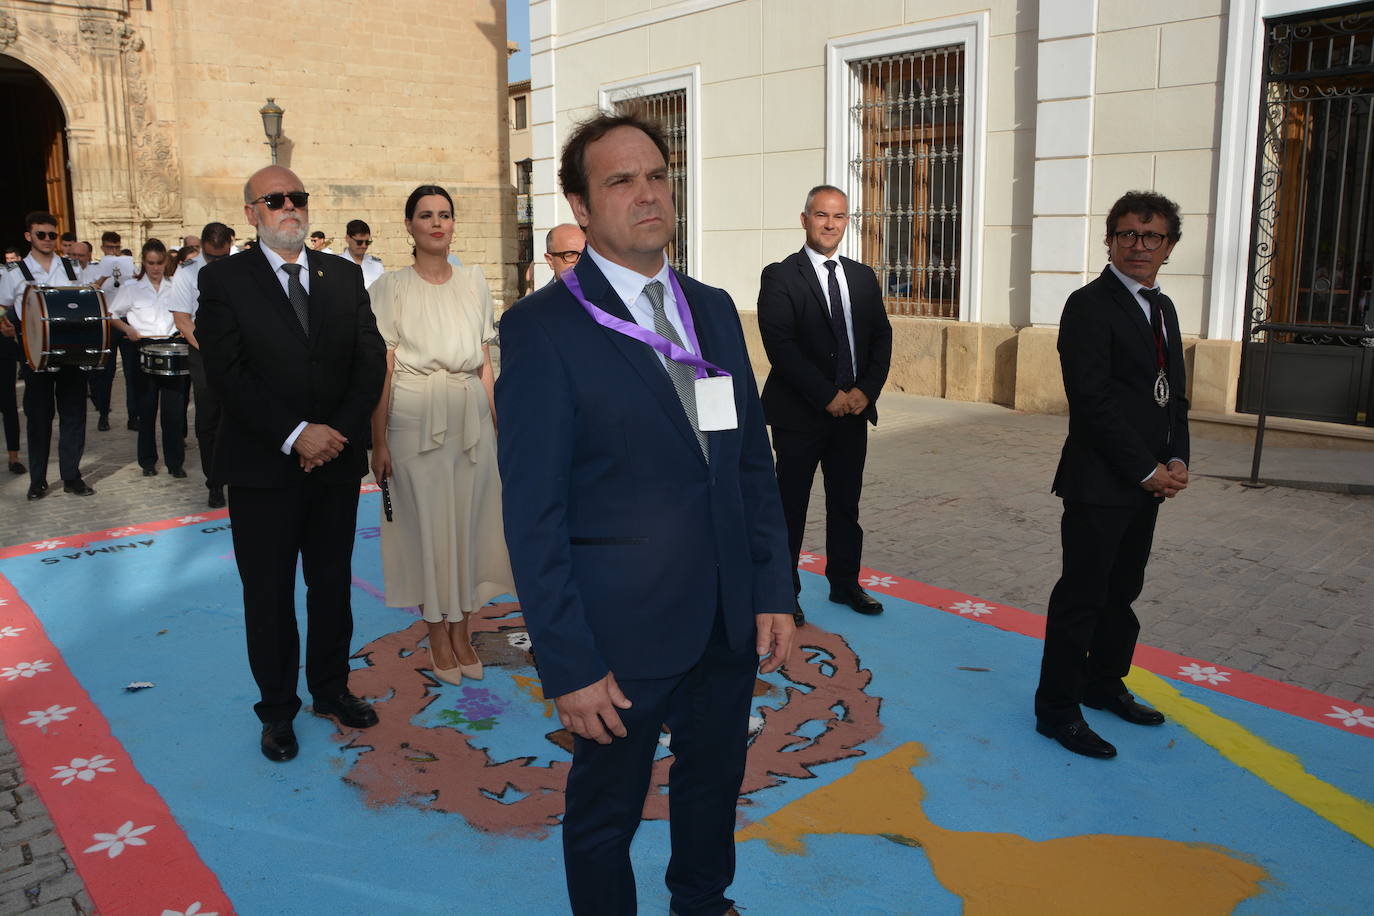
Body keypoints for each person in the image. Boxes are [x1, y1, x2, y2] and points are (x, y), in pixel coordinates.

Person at [496, 112, 795, 916]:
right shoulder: (541, 330)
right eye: (621, 180)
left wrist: (773, 587)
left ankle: (703, 901)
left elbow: (749, 466)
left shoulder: (715, 308)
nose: (647, 193)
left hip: (729, 618)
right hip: (619, 640)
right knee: (605, 817)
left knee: (713, 786)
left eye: (657, 175)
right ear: (581, 206)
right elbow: (533, 516)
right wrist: (568, 662)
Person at [197, 165, 386, 763]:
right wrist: (295, 434)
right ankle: (277, 710)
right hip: (263, 470)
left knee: (331, 587)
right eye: (274, 200)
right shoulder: (224, 279)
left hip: (333, 466)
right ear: (251, 212)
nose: (289, 207)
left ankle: (331, 690)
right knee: (269, 595)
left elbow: (370, 358)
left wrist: (337, 435)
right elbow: (228, 374)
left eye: (297, 198)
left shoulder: (343, 276)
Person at [1034, 190, 1190, 760]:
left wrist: (1177, 458)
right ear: (1109, 240)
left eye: (1152, 237)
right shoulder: (1088, 305)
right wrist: (1145, 467)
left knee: (1123, 593)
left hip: (1149, 482)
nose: (1139, 246)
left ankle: (1103, 684)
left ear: (1169, 246)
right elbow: (1091, 402)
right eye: (1127, 234)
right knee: (1083, 594)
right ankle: (1056, 708)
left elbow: (1173, 394)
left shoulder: (1164, 308)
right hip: (1101, 481)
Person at [368, 186, 513, 684]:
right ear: (409, 225)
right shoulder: (389, 288)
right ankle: (437, 635)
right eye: (426, 215)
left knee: (471, 525)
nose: (437, 223)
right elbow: (382, 369)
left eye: (445, 215)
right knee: (428, 528)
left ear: (454, 224)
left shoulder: (474, 282)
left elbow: (486, 363)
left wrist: (496, 422)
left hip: (471, 418)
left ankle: (463, 632)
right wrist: (379, 440)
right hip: (414, 418)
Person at [757, 185, 893, 625]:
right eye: (821, 215)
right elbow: (781, 345)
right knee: (790, 506)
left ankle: (845, 583)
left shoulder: (862, 276)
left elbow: (880, 337)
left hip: (852, 414)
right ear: (805, 219)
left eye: (838, 216)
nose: (830, 224)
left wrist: (864, 391)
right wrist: (826, 395)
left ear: (847, 221)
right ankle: (784, 592)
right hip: (799, 416)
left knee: (846, 504)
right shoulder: (780, 276)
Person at [0, 212, 95, 499]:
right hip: (35, 355)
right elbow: (3, 306)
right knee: (39, 418)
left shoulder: (71, 267)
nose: (48, 240)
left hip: (71, 352)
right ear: (29, 236)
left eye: (52, 234)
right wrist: (4, 323)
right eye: (41, 234)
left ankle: (72, 477)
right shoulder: (14, 272)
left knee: (73, 416)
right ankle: (38, 480)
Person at [108, 238, 186, 478]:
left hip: (172, 345)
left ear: (166, 262)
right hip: (143, 346)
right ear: (144, 262)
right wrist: (128, 330)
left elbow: (190, 311)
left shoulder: (175, 285)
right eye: (151, 263)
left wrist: (184, 326)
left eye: (159, 263)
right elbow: (111, 314)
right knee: (147, 409)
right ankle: (148, 461)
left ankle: (175, 463)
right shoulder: (131, 287)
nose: (155, 268)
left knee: (173, 413)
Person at [170, 221, 233, 508]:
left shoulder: (244, 267)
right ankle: (215, 481)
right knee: (209, 419)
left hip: (238, 350)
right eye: (211, 257)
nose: (217, 262)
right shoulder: (187, 273)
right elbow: (183, 320)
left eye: (223, 257)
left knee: (243, 414)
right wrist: (212, 350)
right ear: (202, 249)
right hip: (203, 350)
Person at [341, 219, 384, 288]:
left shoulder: (377, 264)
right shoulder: (337, 262)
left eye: (367, 242)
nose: (364, 246)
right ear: (347, 238)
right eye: (359, 242)